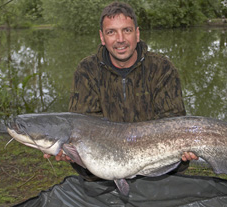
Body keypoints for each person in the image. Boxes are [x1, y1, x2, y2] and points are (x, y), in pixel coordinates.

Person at [44, 1, 198, 181]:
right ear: (102, 37)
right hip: (104, 171)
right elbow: (82, 126)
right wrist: (71, 152)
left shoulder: (162, 68)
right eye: (111, 32)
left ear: (137, 33)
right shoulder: (87, 70)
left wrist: (185, 149)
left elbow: (173, 122)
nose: (120, 39)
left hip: (157, 167)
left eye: (127, 30)